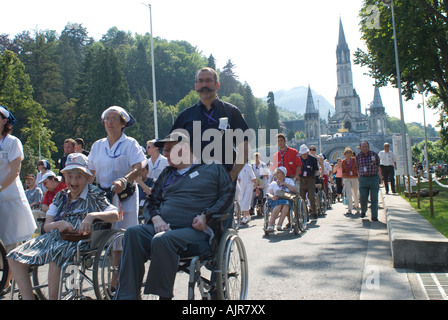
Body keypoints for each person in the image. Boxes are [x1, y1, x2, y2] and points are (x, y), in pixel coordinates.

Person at [114, 131, 234, 300]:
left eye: (169, 149)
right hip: (163, 227)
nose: (165, 154)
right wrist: (156, 218)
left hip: (195, 231)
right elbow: (152, 201)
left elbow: (228, 195)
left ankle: (162, 297)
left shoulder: (213, 168)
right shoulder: (167, 173)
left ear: (185, 147)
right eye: (164, 150)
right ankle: (127, 296)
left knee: (162, 239)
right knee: (132, 233)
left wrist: (207, 216)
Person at [7, 153, 120, 300]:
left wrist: (91, 216)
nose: (73, 181)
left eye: (78, 176)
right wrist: (58, 224)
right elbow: (47, 226)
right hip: (55, 236)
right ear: (64, 176)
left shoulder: (95, 194)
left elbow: (115, 213)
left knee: (57, 254)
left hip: (81, 240)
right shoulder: (60, 195)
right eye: (69, 176)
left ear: (86, 177)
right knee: (14, 257)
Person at [170, 67, 251, 180]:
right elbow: (171, 147)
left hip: (223, 183)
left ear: (217, 85)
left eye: (208, 80)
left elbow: (244, 147)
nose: (204, 85)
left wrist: (231, 176)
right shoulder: (186, 116)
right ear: (196, 86)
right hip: (193, 183)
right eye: (200, 81)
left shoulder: (231, 112)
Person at [88, 106, 146, 231]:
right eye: (107, 119)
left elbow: (138, 168)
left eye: (114, 119)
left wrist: (124, 180)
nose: (109, 122)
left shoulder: (130, 144)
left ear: (122, 123)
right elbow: (90, 172)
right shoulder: (97, 146)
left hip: (125, 196)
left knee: (124, 234)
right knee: (104, 236)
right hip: (104, 198)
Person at [0, 106, 37, 291]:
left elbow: (15, 171)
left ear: (4, 121)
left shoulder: (12, 142)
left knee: (10, 243)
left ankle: (6, 283)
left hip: (10, 198)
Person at [265, 166, 298, 232]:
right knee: (279, 204)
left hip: (286, 200)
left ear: (283, 174)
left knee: (285, 204)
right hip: (275, 200)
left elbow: (295, 190)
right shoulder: (273, 183)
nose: (276, 174)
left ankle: (279, 224)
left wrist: (285, 184)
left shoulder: (289, 181)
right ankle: (271, 224)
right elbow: (269, 193)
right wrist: (272, 197)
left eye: (278, 173)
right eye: (276, 173)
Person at [355, 141, 382, 221]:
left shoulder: (374, 154)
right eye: (363, 147)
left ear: (369, 147)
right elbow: (357, 166)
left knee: (374, 198)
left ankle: (374, 216)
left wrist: (380, 177)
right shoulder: (358, 156)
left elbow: (378, 164)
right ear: (360, 148)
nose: (365, 148)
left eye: (366, 146)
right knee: (363, 197)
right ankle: (363, 210)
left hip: (373, 178)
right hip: (363, 179)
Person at [298, 144, 319, 218]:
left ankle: (314, 212)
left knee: (311, 196)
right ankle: (304, 214)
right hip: (301, 180)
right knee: (302, 198)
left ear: (307, 153)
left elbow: (316, 170)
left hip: (310, 180)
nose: (303, 156)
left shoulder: (313, 159)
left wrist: (312, 176)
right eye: (302, 154)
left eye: (305, 154)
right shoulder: (298, 159)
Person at [341, 147, 359, 214]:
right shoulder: (343, 161)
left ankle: (357, 206)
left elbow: (357, 168)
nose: (348, 154)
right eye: (347, 153)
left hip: (354, 177)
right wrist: (342, 180)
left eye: (349, 153)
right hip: (347, 178)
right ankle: (350, 208)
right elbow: (343, 171)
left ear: (351, 153)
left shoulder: (354, 160)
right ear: (345, 154)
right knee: (348, 193)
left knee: (355, 193)